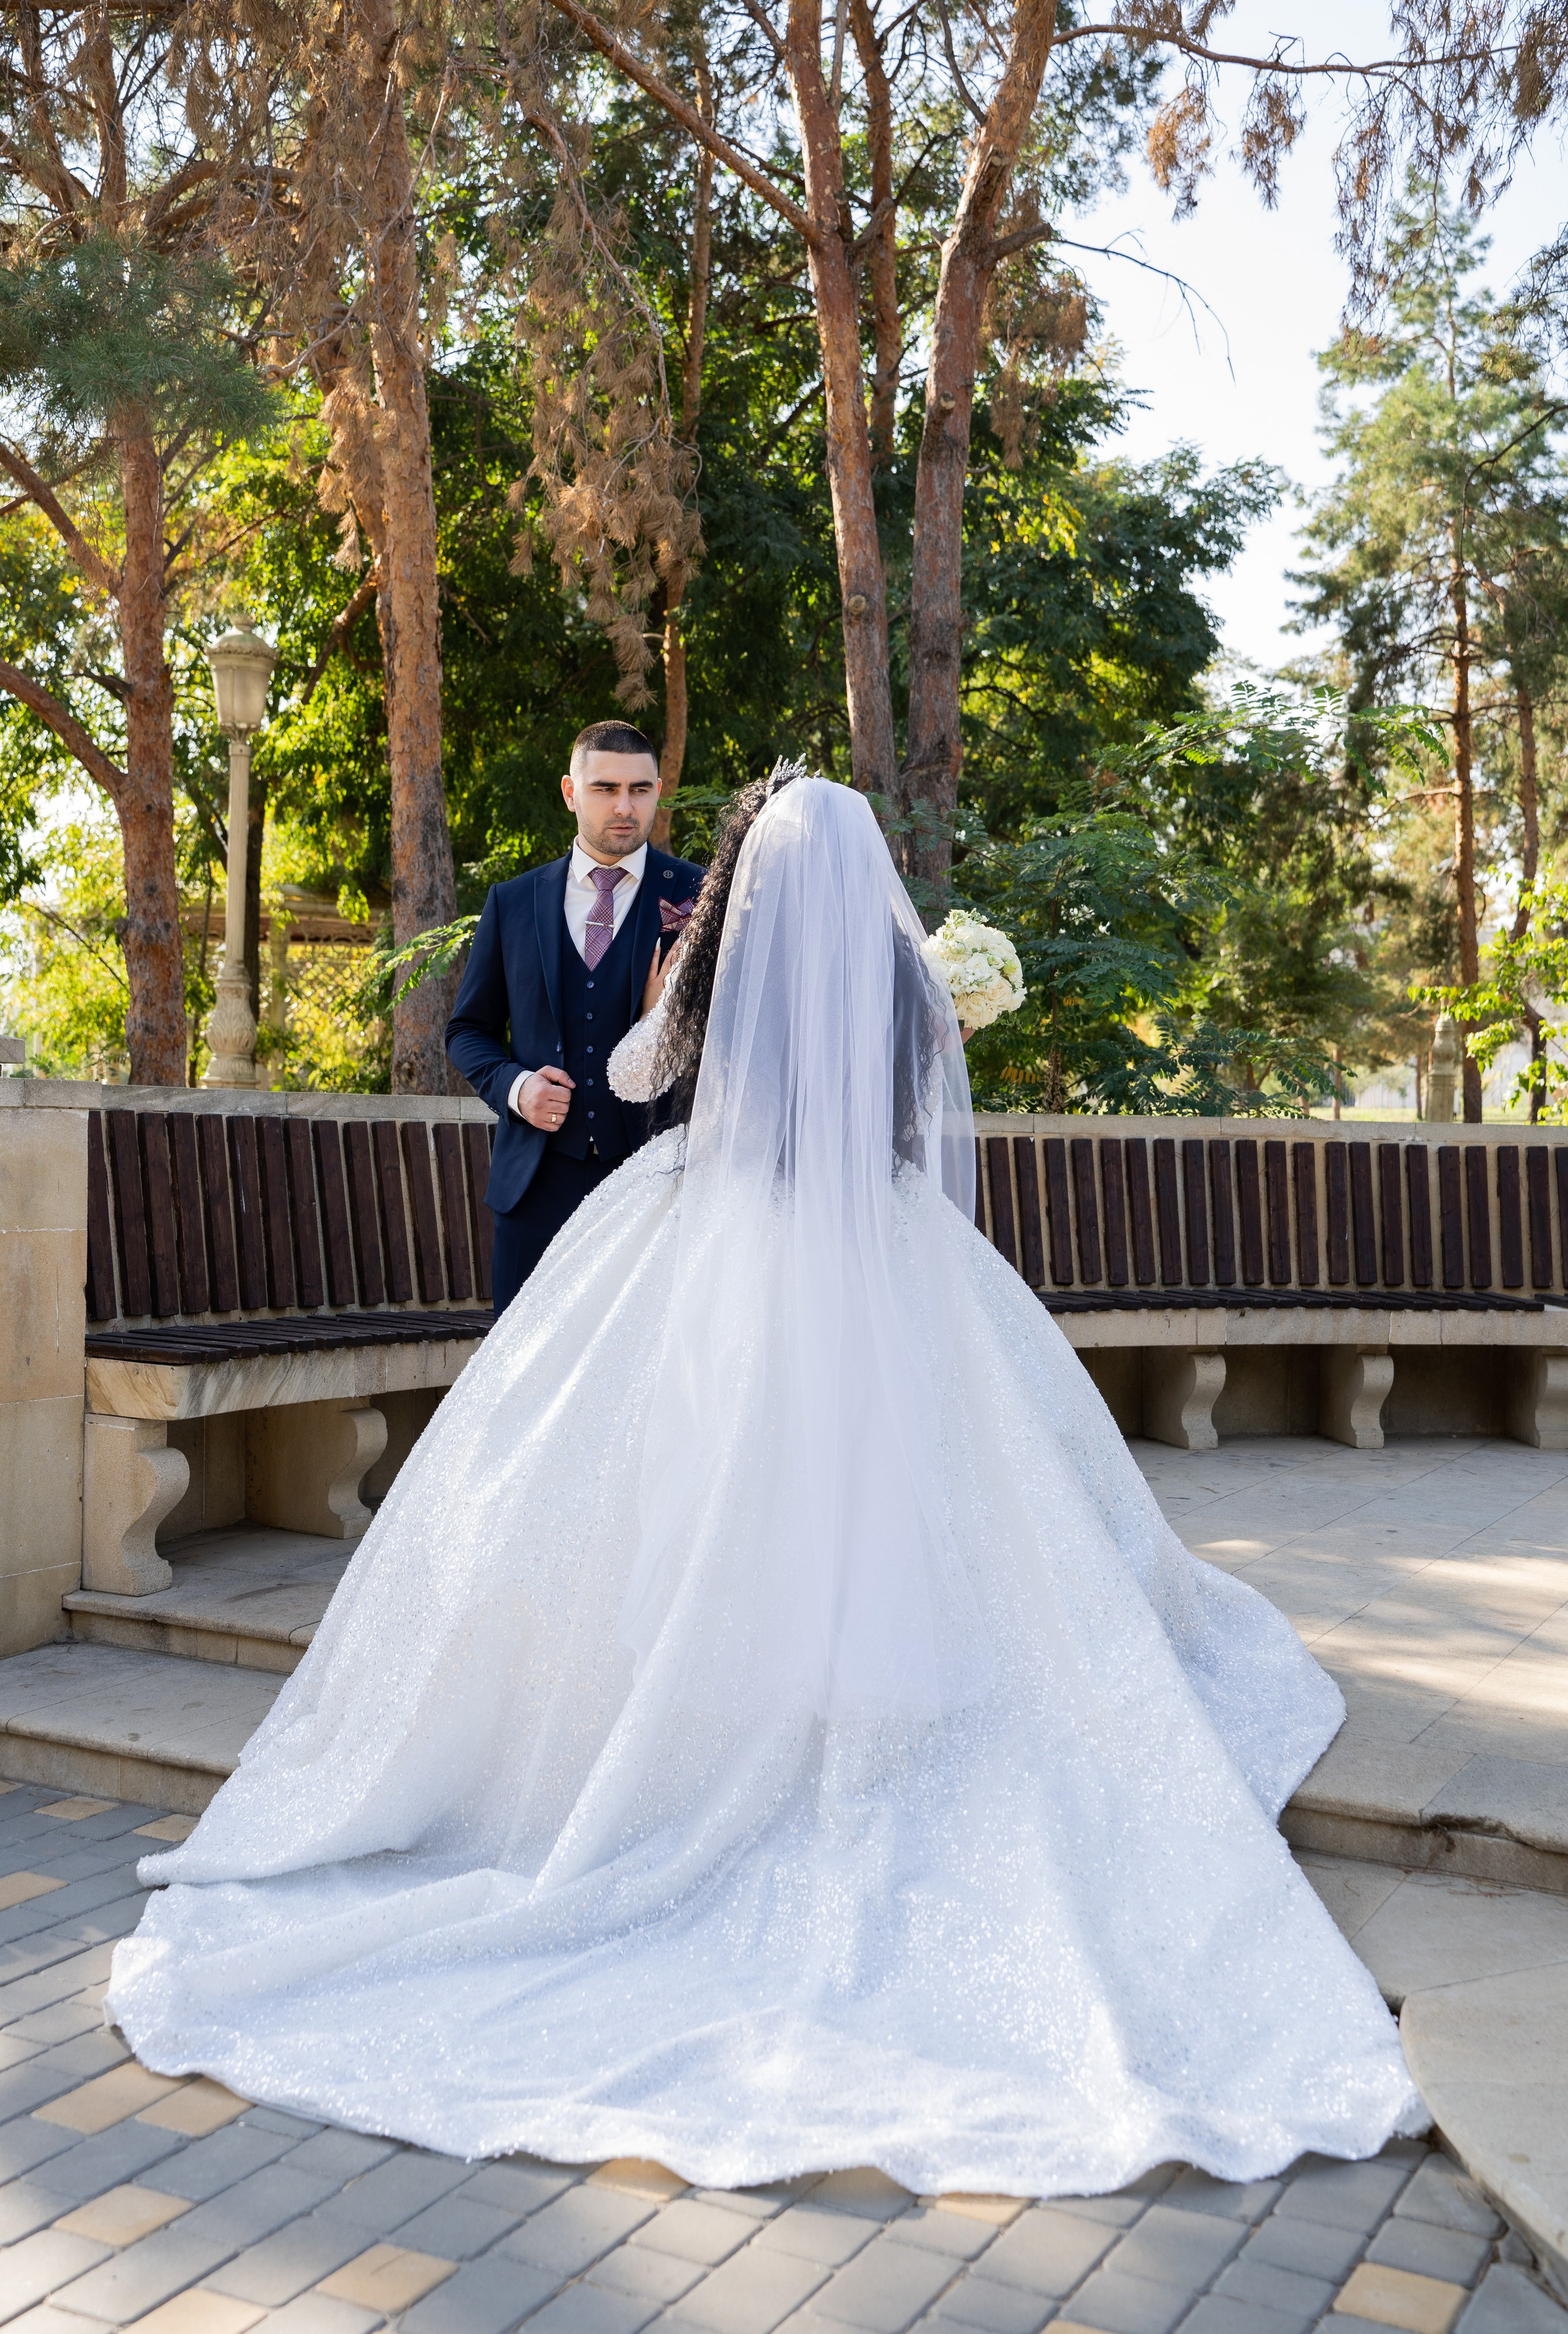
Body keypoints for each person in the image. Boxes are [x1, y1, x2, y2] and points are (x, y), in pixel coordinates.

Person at [108, 771, 1423, 2193]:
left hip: (716, 1242)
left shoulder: (708, 964)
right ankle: (874, 1694)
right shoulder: (909, 987)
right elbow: (917, 1122)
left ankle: (697, 1710)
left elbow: (631, 1081)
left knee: (696, 1478)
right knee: (897, 1489)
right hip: (881, 1253)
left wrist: (673, 986)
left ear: (746, 875)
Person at [444, 718, 705, 1314]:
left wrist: (659, 1027)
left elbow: (732, 1038)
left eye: (640, 789)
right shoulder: (513, 901)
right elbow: (467, 1030)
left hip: (655, 1183)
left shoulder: (701, 896)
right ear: (570, 792)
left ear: (657, 791)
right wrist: (516, 1088)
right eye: (605, 788)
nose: (624, 806)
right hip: (535, 1187)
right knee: (521, 1361)